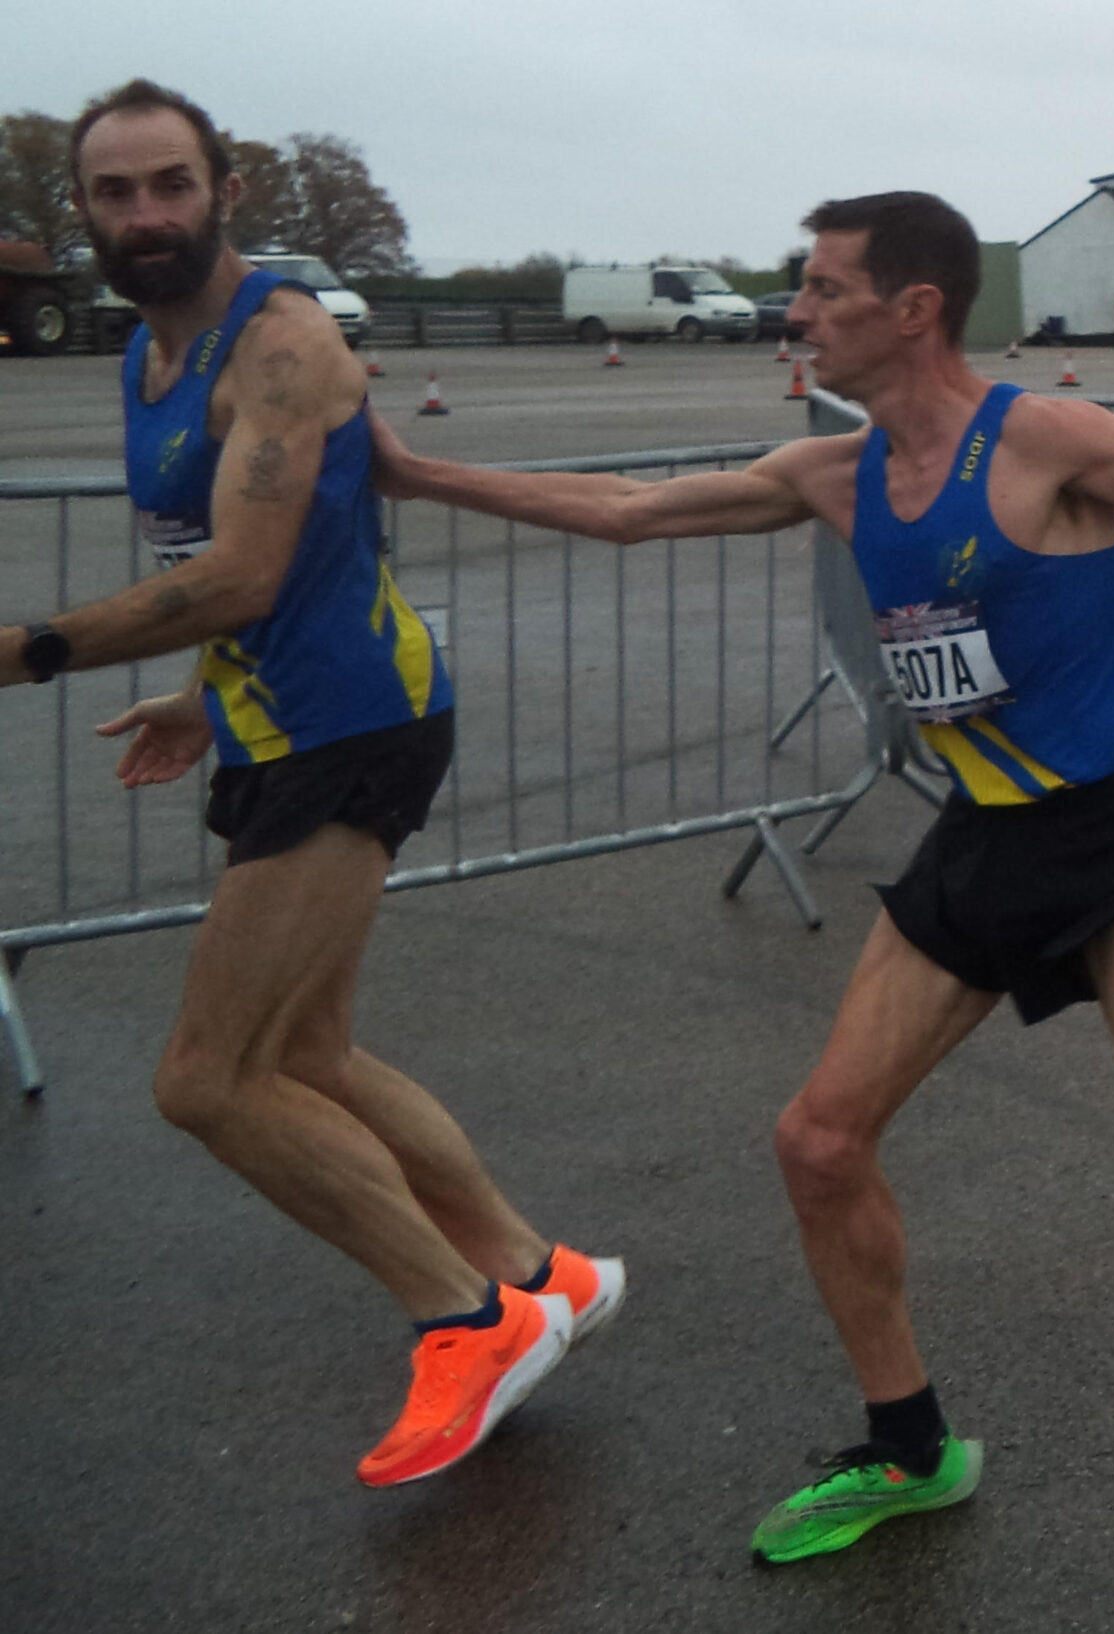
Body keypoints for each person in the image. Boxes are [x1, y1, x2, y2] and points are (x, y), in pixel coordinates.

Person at [369, 190, 1114, 1563]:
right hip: (979, 838)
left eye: (821, 288)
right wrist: (425, 477)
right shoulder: (834, 471)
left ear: (913, 307)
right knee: (817, 1140)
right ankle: (908, 1447)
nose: (796, 311)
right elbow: (631, 510)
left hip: (1108, 836)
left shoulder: (1041, 439)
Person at [0, 79, 625, 1489]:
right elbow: (258, 561)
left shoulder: (277, 345)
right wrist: (205, 693)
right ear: (83, 212)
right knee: (308, 1058)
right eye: (114, 192)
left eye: (171, 184)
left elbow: (247, 571)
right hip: (287, 718)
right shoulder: (144, 354)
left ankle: (468, 1318)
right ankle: (546, 1273)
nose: (145, 214)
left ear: (222, 188)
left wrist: (31, 651)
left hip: (354, 727)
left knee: (206, 1081)